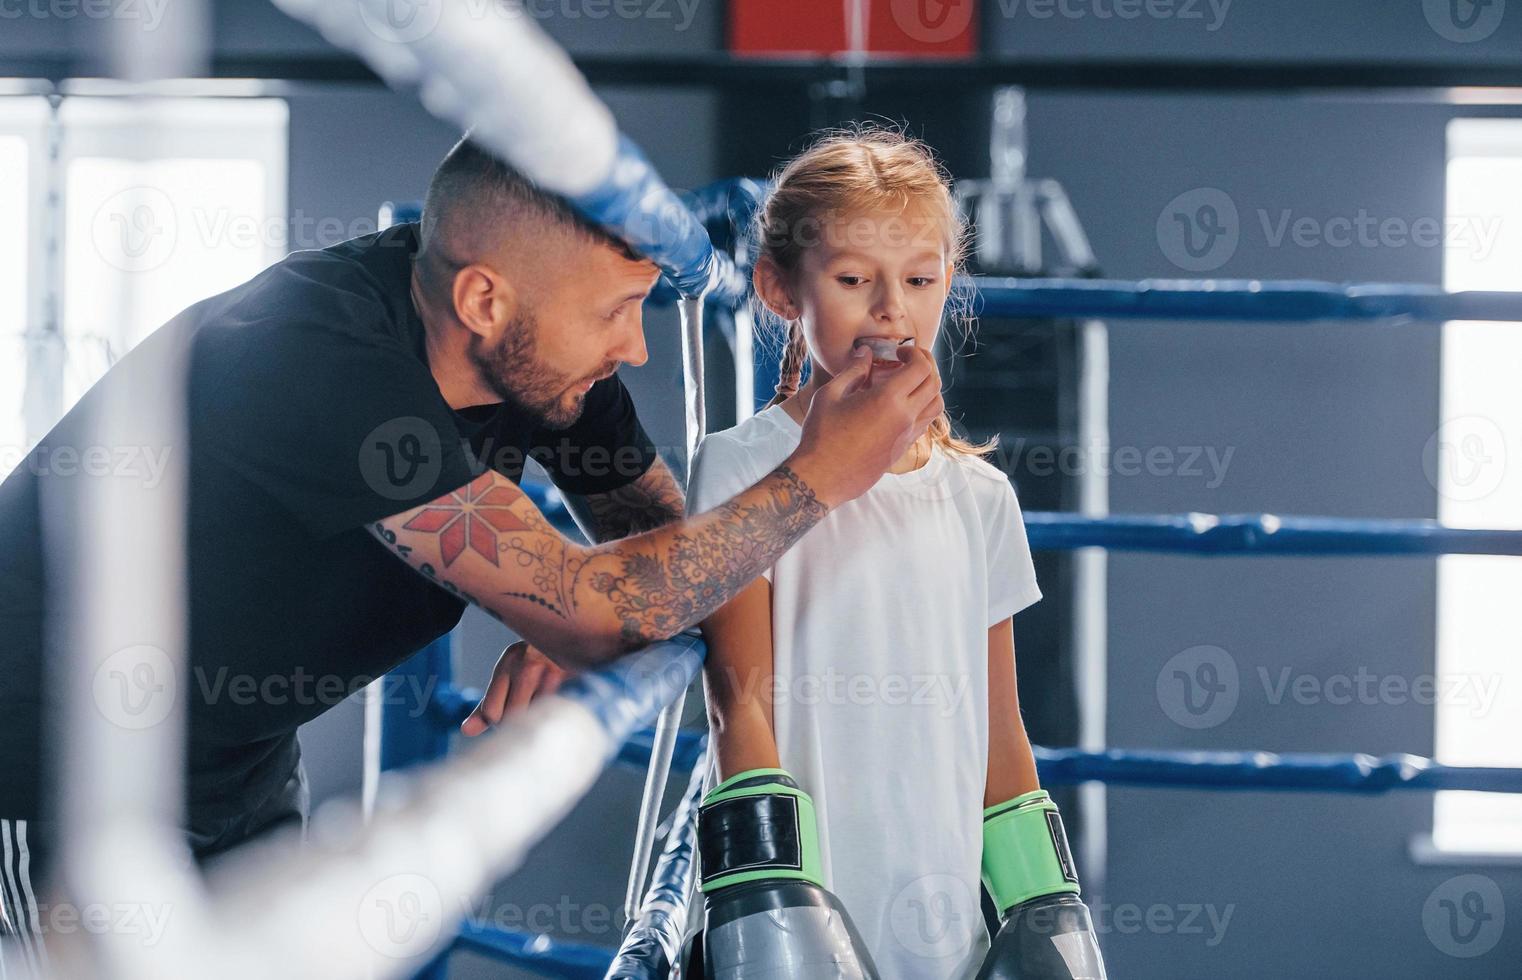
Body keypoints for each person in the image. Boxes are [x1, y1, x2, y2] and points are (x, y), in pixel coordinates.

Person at [0, 135, 941, 971]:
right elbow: (607, 601)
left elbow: (653, 566)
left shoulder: (545, 365)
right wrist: (819, 472)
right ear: (484, 298)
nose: (636, 349)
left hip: (234, 766)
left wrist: (580, 610)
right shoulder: (312, 357)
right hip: (51, 776)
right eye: (615, 311)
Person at [685, 129, 1106, 979]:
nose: (891, 309)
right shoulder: (740, 465)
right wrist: (775, 904)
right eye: (852, 280)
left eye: (919, 279)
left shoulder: (979, 497)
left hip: (945, 912)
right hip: (808, 893)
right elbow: (739, 701)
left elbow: (1001, 727)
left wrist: (1044, 903)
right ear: (779, 289)